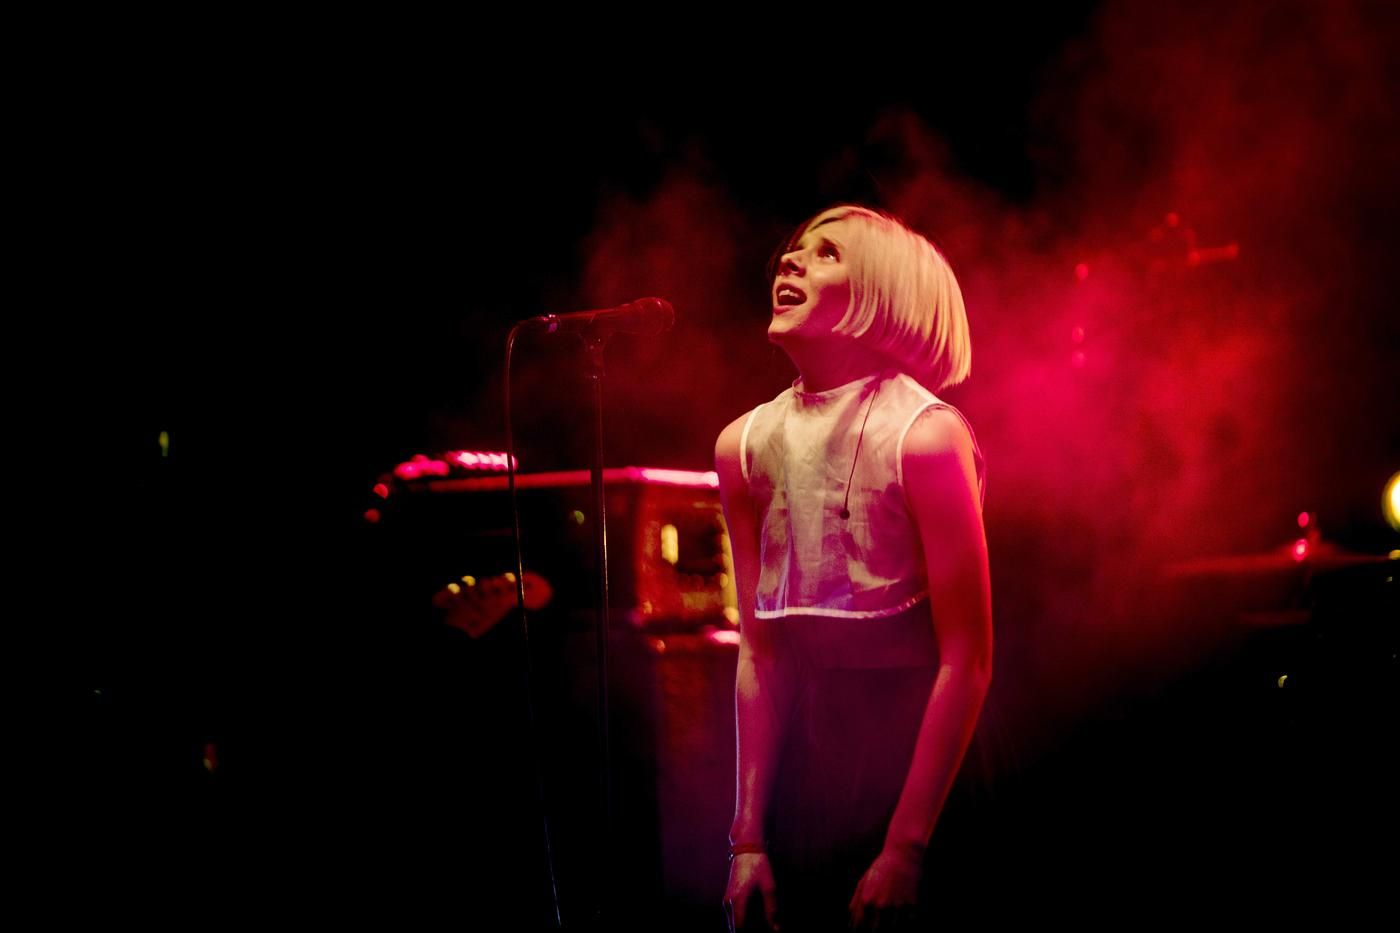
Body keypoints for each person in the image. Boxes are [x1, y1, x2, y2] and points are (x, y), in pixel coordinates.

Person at [717, 205, 993, 932]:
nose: (790, 260)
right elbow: (760, 649)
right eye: (795, 249)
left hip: (923, 759)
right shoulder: (742, 445)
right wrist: (746, 840)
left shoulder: (926, 437)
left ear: (882, 295)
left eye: (827, 253)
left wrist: (905, 848)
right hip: (811, 755)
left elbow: (967, 659)